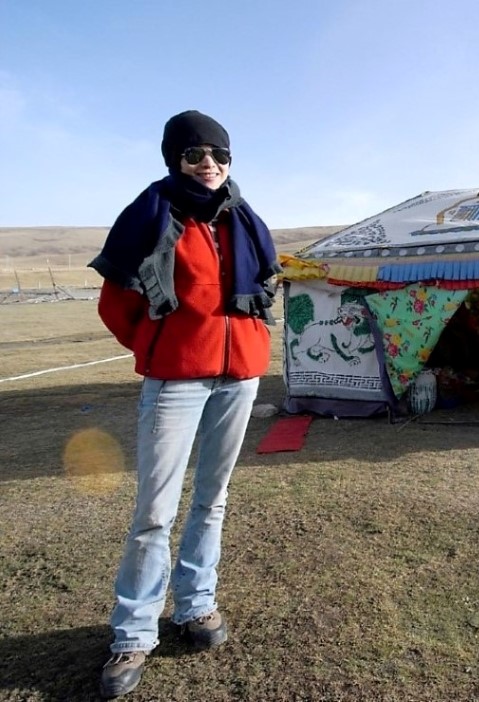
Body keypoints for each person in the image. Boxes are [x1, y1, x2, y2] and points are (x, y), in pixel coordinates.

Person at [88, 110, 281, 699]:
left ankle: (196, 607)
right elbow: (116, 303)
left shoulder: (245, 220)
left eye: (220, 155)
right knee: (154, 511)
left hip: (239, 376)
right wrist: (160, 346)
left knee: (212, 499)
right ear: (175, 158)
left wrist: (251, 351)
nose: (210, 165)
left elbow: (263, 288)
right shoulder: (152, 214)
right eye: (197, 154)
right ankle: (135, 631)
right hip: (177, 380)